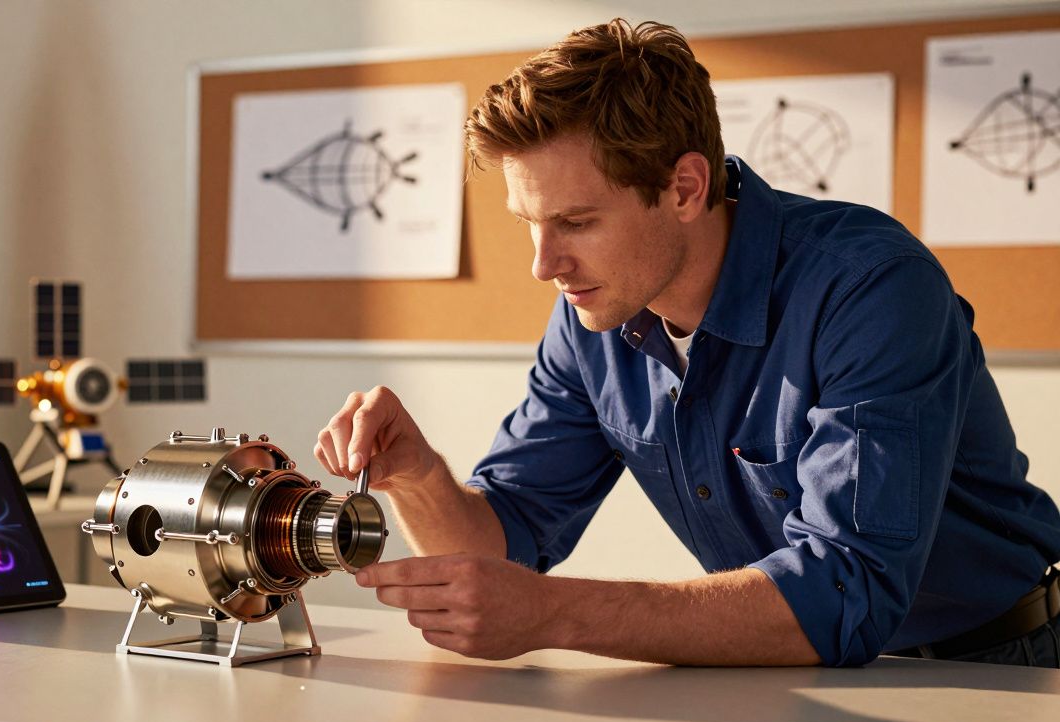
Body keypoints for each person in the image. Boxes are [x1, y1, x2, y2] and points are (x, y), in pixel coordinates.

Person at [313, 19, 1060, 667]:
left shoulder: (869, 286)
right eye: (528, 224)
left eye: (575, 222)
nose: (544, 266)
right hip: (779, 669)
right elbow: (502, 546)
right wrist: (417, 477)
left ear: (684, 188)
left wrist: (555, 612)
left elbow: (845, 588)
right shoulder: (592, 318)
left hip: (994, 663)